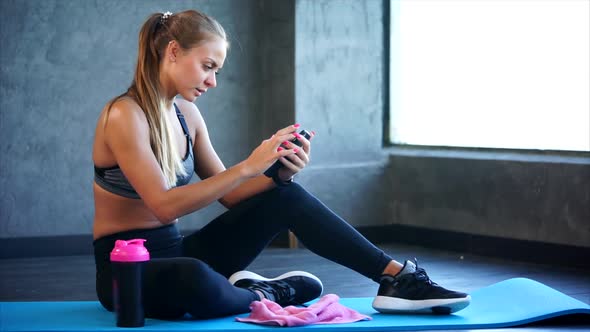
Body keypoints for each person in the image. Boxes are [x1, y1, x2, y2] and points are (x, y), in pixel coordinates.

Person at [92, 9, 471, 320]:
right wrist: (247, 165)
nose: (212, 81)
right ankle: (268, 291)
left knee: (286, 196)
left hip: (179, 251)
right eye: (208, 66)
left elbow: (232, 196)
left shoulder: (186, 115)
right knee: (195, 280)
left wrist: (279, 172)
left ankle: (396, 279)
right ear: (173, 51)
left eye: (217, 71)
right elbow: (162, 206)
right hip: (124, 271)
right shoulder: (124, 115)